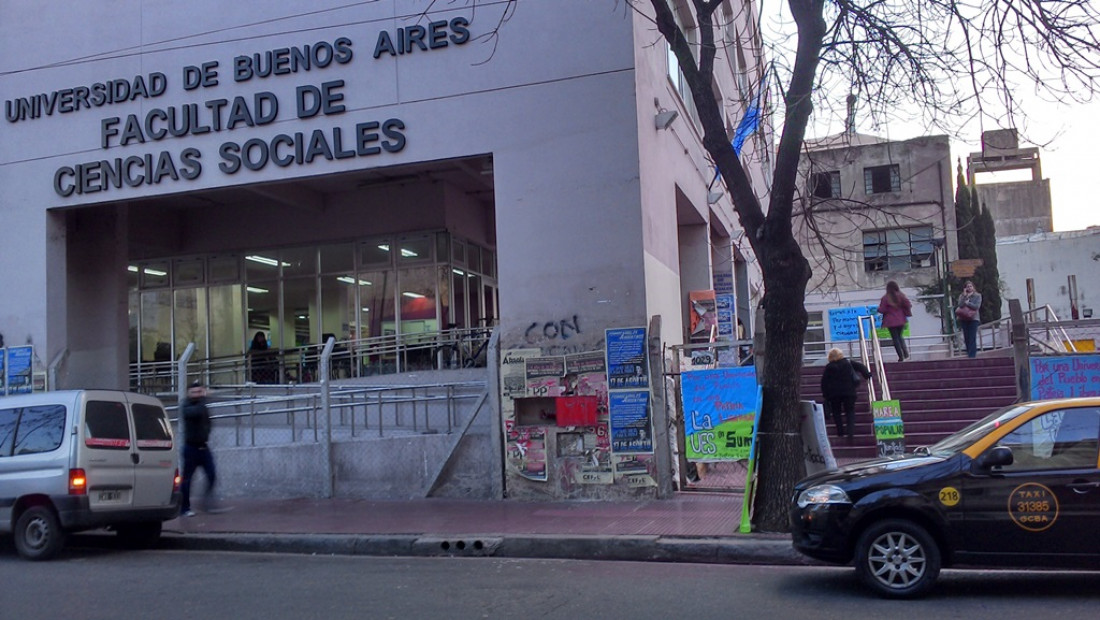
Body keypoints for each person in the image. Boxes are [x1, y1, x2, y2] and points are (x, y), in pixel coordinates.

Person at [180, 381, 222, 516]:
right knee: (187, 480)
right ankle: (184, 508)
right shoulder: (186, 405)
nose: (197, 395)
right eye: (194, 392)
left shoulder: (202, 405)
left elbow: (208, 421)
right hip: (190, 448)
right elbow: (195, 413)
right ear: (188, 393)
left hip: (203, 447)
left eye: (199, 392)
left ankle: (206, 502)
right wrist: (204, 397)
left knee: (212, 474)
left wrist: (206, 434)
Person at [820, 348, 872, 439]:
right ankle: (850, 431)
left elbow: (824, 382)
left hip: (834, 394)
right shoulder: (848, 363)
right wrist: (867, 375)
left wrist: (825, 395)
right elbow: (861, 367)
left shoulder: (829, 367)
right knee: (850, 411)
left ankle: (840, 432)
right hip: (849, 392)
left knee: (836, 412)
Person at [877, 280, 912, 361]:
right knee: (900, 336)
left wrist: (878, 309)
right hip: (901, 320)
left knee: (895, 338)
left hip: (890, 321)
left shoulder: (885, 298)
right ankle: (905, 353)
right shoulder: (901, 296)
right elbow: (908, 304)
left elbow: (882, 309)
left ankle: (901, 356)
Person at [956, 280, 983, 358]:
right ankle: (968, 353)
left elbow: (977, 306)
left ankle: (972, 356)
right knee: (966, 337)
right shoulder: (962, 296)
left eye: (971, 286)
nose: (969, 288)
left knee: (972, 336)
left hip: (973, 318)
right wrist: (964, 296)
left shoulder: (977, 296)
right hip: (964, 318)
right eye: (967, 286)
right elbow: (960, 305)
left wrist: (968, 303)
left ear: (973, 287)